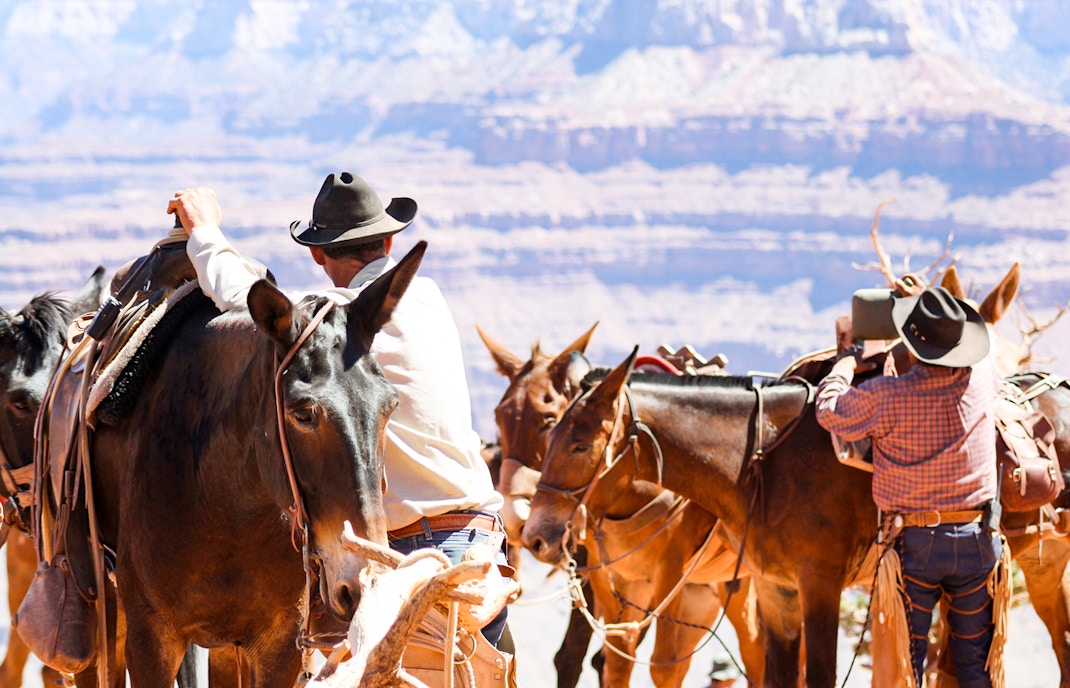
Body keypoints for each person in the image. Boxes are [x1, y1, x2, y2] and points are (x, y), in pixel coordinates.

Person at [167, 172, 509, 646]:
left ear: (316, 253)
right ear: (389, 239)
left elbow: (243, 298)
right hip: (480, 543)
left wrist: (205, 230)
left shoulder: (335, 321)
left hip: (402, 555)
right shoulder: (429, 297)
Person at [815, 285, 1002, 688]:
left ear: (913, 346)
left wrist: (845, 365)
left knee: (905, 664)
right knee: (975, 668)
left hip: (915, 544)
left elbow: (828, 410)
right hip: (978, 539)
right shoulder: (983, 375)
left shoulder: (887, 396)